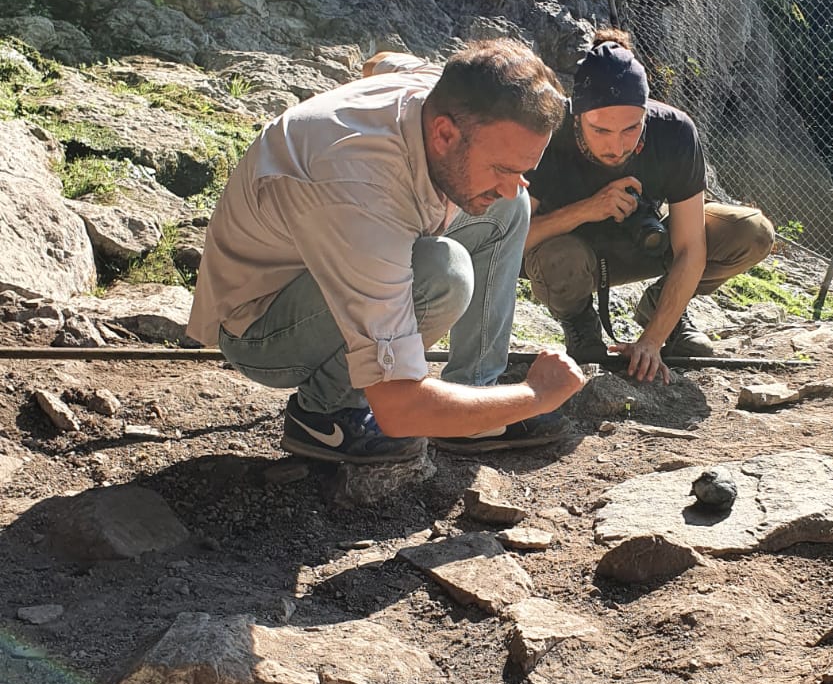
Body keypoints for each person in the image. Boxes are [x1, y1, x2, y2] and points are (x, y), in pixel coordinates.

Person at [187, 40, 585, 462]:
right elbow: (399, 409)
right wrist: (536, 395)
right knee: (441, 275)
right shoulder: (360, 189)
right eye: (503, 167)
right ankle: (326, 414)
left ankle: (477, 395)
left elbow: (379, 62)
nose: (512, 180)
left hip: (334, 256)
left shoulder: (436, 91)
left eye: (522, 168)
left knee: (509, 203)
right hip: (262, 328)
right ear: (445, 134)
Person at [524, 29, 775, 383]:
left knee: (751, 231)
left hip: (644, 245)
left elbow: (690, 246)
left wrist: (652, 340)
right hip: (564, 261)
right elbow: (510, 239)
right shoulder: (548, 131)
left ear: (646, 111)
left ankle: (663, 309)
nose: (617, 145)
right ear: (578, 114)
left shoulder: (674, 131)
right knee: (558, 257)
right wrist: (587, 209)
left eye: (631, 128)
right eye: (600, 131)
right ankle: (579, 321)